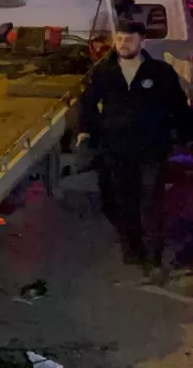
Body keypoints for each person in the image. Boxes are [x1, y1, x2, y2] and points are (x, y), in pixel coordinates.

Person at [78, 20, 193, 281]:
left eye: (129, 39)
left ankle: (153, 258)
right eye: (119, 39)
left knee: (151, 204)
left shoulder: (160, 72)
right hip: (117, 150)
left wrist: (186, 135)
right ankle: (133, 249)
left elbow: (178, 106)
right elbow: (87, 105)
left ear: (142, 41)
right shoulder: (104, 72)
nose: (123, 44)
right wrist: (86, 134)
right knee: (123, 202)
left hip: (152, 149)